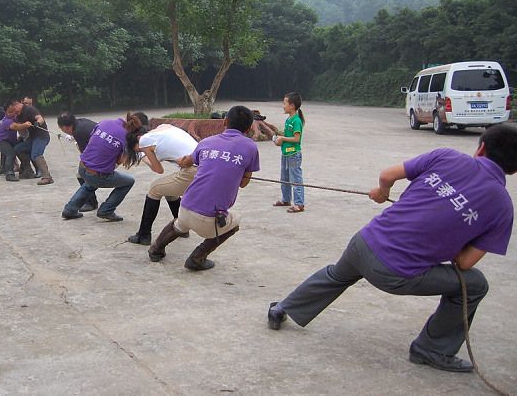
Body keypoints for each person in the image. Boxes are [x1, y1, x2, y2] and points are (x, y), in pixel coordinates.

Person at [267, 124, 517, 374]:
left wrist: (383, 191)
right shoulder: (503, 208)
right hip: (395, 273)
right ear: (514, 169)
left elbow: (387, 176)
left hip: (364, 242)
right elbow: (464, 264)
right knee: (475, 285)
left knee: (336, 275)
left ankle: (283, 307)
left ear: (481, 147)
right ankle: (431, 348)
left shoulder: (447, 156)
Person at [148, 106, 260, 270]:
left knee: (181, 223)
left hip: (185, 207)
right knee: (235, 221)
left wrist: (182, 160)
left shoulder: (207, 142)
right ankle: (197, 258)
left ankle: (156, 249)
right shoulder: (250, 147)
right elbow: (243, 183)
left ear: (225, 121)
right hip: (210, 221)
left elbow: (187, 162)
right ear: (250, 128)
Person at [61, 113, 146, 222]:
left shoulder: (105, 122)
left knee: (91, 183)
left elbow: (92, 139)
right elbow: (120, 160)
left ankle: (70, 209)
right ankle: (106, 210)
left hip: (82, 167)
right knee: (129, 181)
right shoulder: (127, 137)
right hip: (97, 175)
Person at [127, 123, 198, 245]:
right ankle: (182, 229)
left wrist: (143, 156)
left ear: (138, 138)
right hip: (204, 168)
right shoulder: (164, 127)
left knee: (154, 189)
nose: (140, 150)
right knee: (168, 191)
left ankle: (143, 235)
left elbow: (158, 170)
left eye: (137, 149)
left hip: (193, 171)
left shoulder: (144, 141)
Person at [58, 111, 100, 212]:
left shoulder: (78, 132)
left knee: (82, 174)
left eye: (61, 128)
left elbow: (85, 154)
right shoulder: (81, 121)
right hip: (101, 148)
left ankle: (91, 202)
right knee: (82, 173)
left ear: (65, 127)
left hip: (101, 153)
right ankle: (91, 201)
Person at [273, 92, 306, 213]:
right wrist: (279, 139)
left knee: (295, 179)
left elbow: (297, 139)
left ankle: (299, 204)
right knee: (284, 178)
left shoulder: (296, 120)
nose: (283, 106)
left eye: (285, 103)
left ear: (292, 106)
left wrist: (283, 139)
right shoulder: (288, 119)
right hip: (285, 153)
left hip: (293, 155)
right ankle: (286, 199)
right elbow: (288, 136)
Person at [7, 99, 53, 185]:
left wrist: (37, 123)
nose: (14, 113)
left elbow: (40, 118)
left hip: (41, 136)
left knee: (36, 154)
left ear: (16, 105)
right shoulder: (18, 115)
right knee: (18, 149)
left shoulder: (29, 109)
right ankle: (28, 170)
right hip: (32, 138)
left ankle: (47, 177)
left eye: (13, 110)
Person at [0, 106, 20, 182]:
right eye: (9, 112)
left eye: (13, 112)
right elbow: (16, 126)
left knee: (5, 153)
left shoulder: (13, 118)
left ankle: (2, 168)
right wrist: (25, 125)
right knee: (10, 154)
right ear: (5, 113)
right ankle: (9, 173)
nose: (11, 113)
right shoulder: (7, 120)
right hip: (0, 141)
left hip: (5, 141)